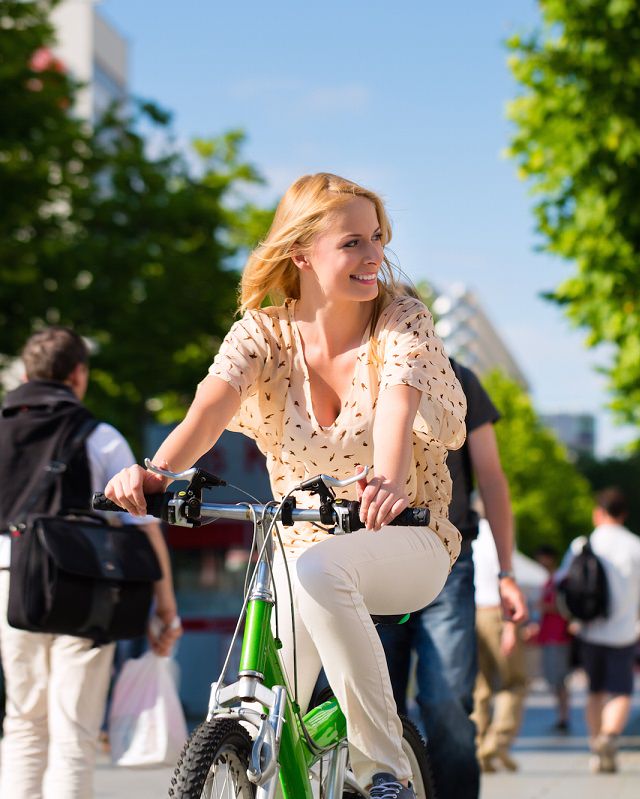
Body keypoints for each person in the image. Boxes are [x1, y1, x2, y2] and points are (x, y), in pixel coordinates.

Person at [104, 173, 466, 799]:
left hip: (406, 537)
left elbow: (397, 406)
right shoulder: (261, 335)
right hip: (297, 551)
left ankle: (386, 771)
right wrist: (157, 472)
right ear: (301, 253)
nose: (374, 254)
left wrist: (385, 476)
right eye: (353, 242)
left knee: (324, 570)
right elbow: (208, 412)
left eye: (377, 238)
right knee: (270, 714)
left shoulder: (400, 318)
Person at [0, 326, 181, 799]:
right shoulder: (98, 437)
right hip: (84, 585)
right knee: (74, 728)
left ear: (25, 372)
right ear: (78, 374)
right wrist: (165, 608)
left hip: (8, 582)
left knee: (23, 720)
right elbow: (142, 523)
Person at [375, 353, 527, 798]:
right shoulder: (352, 367)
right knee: (373, 702)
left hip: (447, 558)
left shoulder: (457, 377)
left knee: (447, 703)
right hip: (373, 556)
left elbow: (492, 479)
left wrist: (506, 572)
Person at [562, 487, 640, 773]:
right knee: (620, 690)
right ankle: (609, 737)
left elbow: (563, 583)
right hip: (625, 632)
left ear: (598, 513)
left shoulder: (582, 544)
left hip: (589, 630)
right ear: (624, 514)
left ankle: (596, 746)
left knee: (594, 690)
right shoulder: (638, 547)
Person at [470, 521, 528, 771]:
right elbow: (506, 580)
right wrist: (511, 626)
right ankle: (497, 742)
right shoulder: (500, 533)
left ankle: (479, 744)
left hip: (471, 611)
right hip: (496, 611)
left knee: (480, 686)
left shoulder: (466, 531)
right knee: (513, 682)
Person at [533, 544, 572, 731]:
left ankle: (564, 717)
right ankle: (562, 716)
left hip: (558, 635)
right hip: (549, 634)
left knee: (559, 680)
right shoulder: (550, 581)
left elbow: (564, 608)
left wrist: (544, 607)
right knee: (554, 680)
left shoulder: (559, 580)